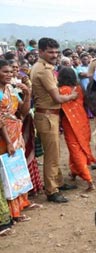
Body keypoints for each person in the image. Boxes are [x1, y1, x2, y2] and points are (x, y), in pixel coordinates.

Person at [30, 38, 79, 203]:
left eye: (56, 52)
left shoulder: (42, 67)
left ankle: (57, 182)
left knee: (55, 152)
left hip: (48, 115)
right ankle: (51, 190)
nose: (54, 55)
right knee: (51, 155)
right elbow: (57, 97)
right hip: (47, 115)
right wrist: (72, 96)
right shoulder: (43, 70)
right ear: (41, 51)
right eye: (50, 52)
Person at [0, 59, 33, 221]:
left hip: (15, 133)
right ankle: (12, 213)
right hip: (4, 137)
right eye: (4, 71)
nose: (9, 74)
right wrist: (7, 142)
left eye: (10, 72)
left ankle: (20, 205)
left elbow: (23, 111)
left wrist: (27, 94)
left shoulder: (11, 90)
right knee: (6, 172)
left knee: (16, 170)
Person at [57, 67, 96, 191]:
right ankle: (74, 171)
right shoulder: (79, 88)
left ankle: (89, 180)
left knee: (74, 148)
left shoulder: (61, 91)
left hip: (70, 123)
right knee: (82, 146)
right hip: (83, 120)